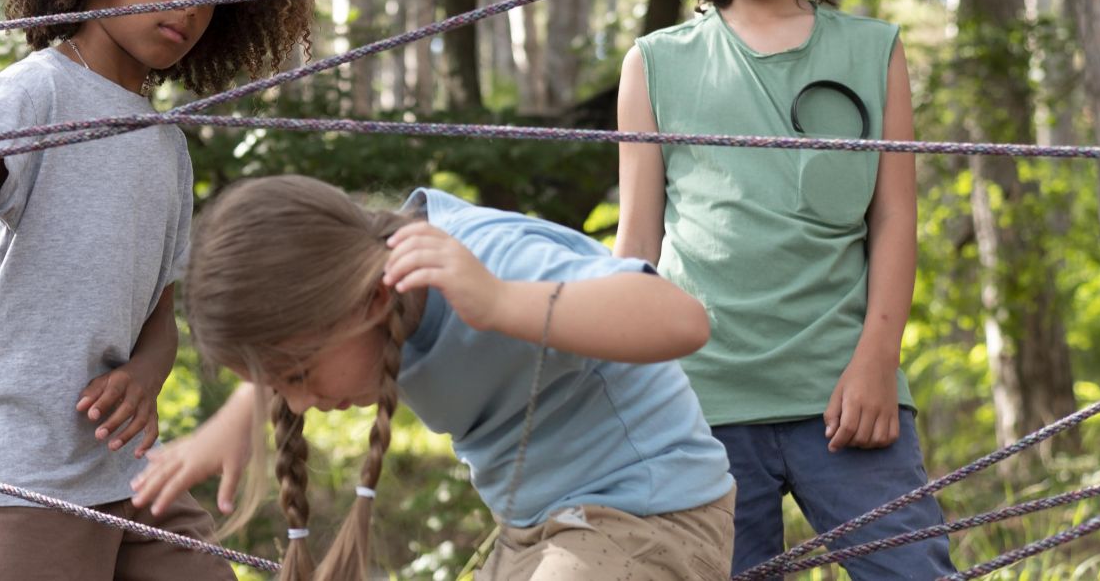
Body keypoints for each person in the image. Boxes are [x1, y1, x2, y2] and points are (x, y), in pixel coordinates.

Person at [0, 0, 315, 581]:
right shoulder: (35, 90)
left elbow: (157, 317)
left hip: (124, 472)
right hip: (12, 470)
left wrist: (144, 376)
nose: (186, 4)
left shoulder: (166, 145)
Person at [614, 0, 954, 578]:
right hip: (699, 401)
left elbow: (894, 217)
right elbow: (637, 241)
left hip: (845, 393)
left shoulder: (873, 50)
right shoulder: (655, 63)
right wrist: (619, 380)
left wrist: (876, 357)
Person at [133, 175, 736, 581]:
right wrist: (237, 417)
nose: (299, 402)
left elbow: (681, 319)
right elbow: (300, 336)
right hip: (539, 528)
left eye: (297, 375)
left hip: (653, 512)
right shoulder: (353, 289)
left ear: (367, 302)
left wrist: (500, 302)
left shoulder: (486, 262)